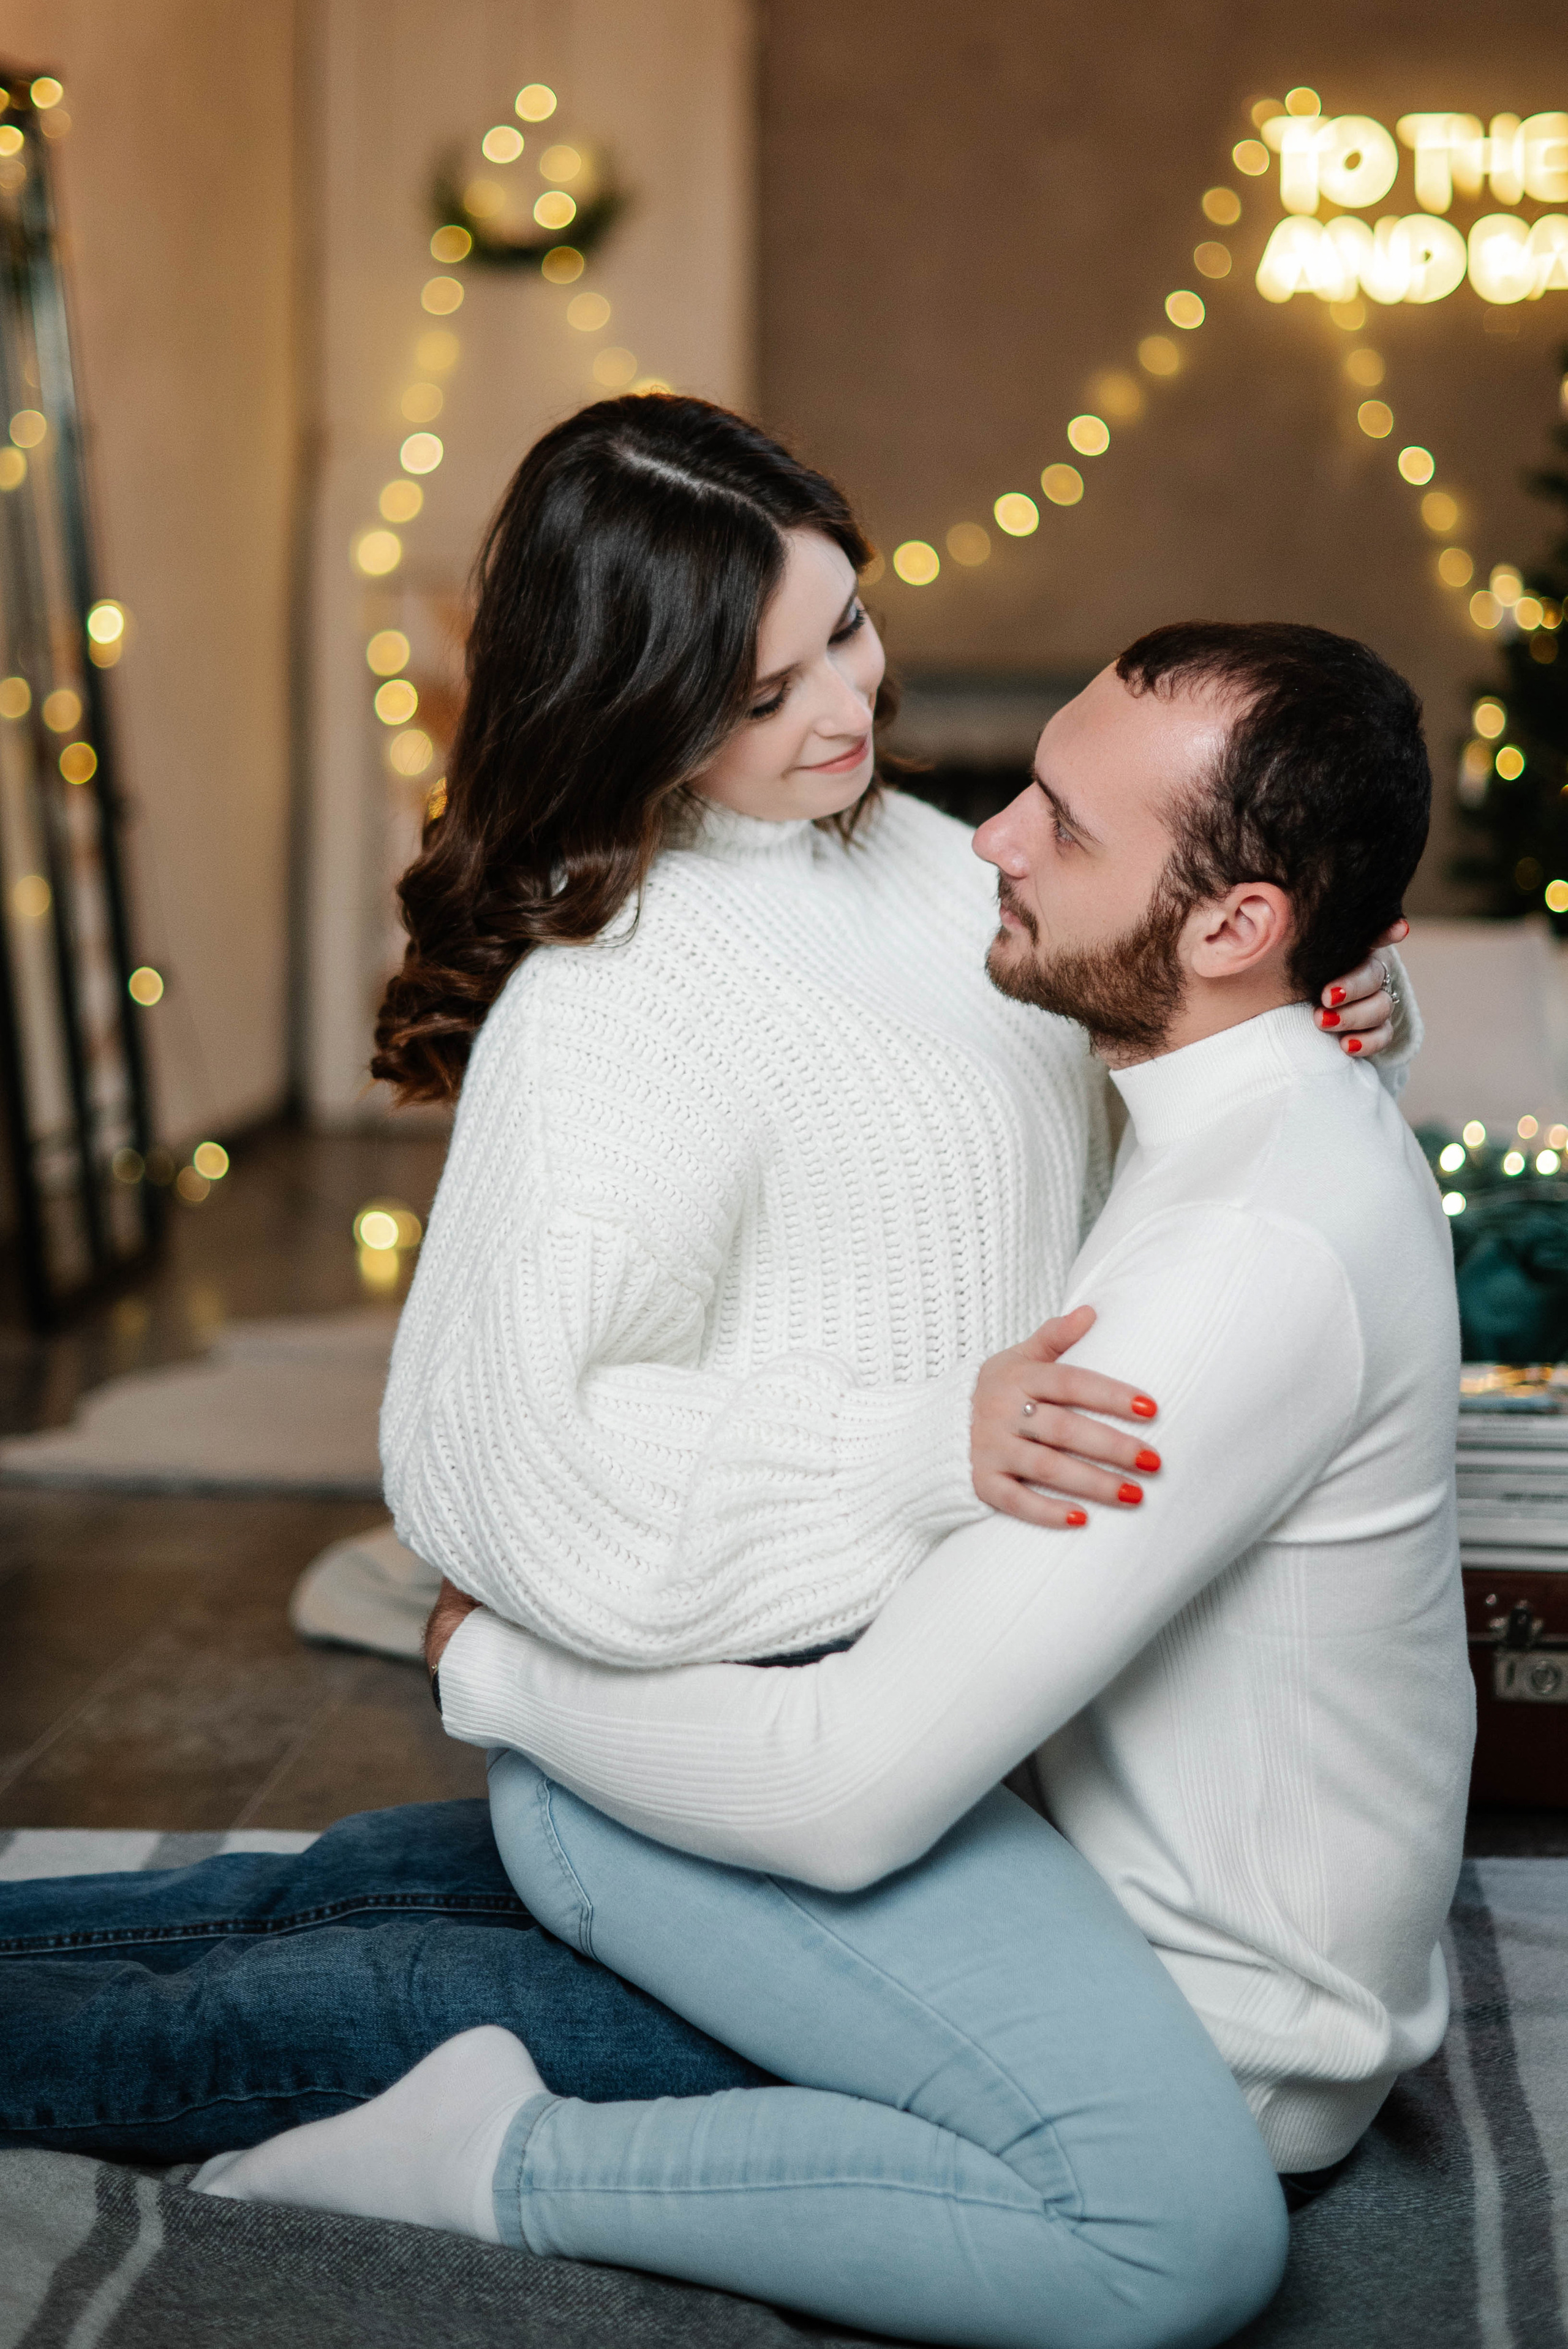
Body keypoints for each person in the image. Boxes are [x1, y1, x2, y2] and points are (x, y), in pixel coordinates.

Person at [0, 403, 1401, 2342]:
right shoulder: (621, 996)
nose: (849, 701)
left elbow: (1103, 1096)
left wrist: (1300, 995)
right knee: (351, 2016)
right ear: (642, 706)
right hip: (693, 1715)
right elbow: (492, 1455)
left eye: (850, 623)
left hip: (884, 1714)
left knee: (317, 1909)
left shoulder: (915, 862)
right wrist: (920, 1447)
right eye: (769, 685)